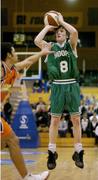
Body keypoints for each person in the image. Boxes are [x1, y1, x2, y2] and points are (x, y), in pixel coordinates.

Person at [34, 11, 84, 170]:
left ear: (66, 35)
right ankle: (51, 151)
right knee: (55, 120)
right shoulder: (50, 47)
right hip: (56, 86)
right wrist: (48, 26)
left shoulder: (72, 45)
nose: (59, 33)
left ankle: (78, 151)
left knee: (75, 120)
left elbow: (74, 32)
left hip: (72, 85)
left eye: (62, 32)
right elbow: (37, 40)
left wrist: (61, 22)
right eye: (57, 33)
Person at [0, 42, 53, 180]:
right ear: (8, 55)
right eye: (14, 51)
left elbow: (28, 61)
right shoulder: (1, 68)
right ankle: (27, 177)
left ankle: (27, 177)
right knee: (12, 140)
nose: (17, 54)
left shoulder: (12, 69)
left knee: (8, 142)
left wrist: (42, 53)